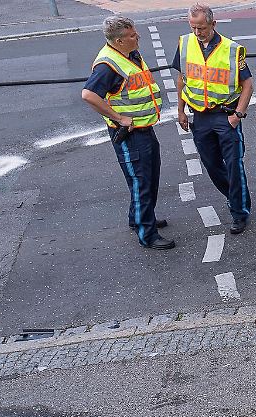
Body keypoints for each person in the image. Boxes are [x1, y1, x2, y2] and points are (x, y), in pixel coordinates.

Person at [81, 16, 174, 250]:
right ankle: (147, 234)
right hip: (129, 134)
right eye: (132, 35)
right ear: (119, 41)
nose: (137, 37)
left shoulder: (130, 53)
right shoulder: (108, 65)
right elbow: (88, 95)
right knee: (141, 181)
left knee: (148, 177)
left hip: (144, 127)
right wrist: (119, 118)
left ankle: (140, 218)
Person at [173, 4, 254, 234]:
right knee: (211, 164)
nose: (197, 32)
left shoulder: (231, 49)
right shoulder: (185, 43)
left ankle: (239, 212)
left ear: (213, 24)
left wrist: (237, 115)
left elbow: (247, 84)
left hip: (225, 116)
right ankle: (236, 196)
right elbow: (182, 79)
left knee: (234, 165)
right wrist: (181, 111)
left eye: (202, 28)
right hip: (200, 117)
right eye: (193, 27)